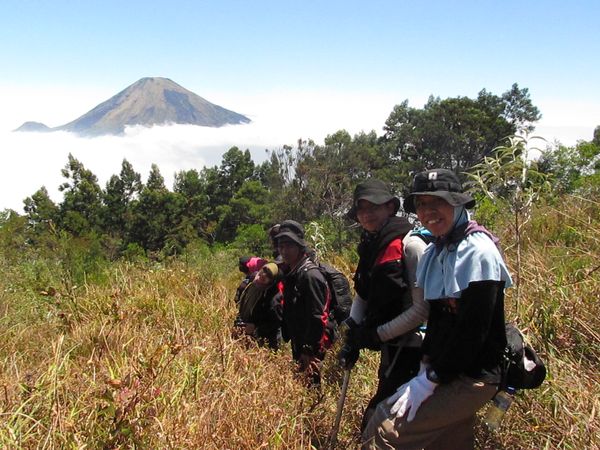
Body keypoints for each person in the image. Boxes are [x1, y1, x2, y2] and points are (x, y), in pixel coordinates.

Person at [363, 169, 512, 450]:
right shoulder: (436, 252)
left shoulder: (477, 252)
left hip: (472, 376)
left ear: (457, 203)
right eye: (421, 204)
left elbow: (473, 332)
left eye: (437, 202)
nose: (428, 211)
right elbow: (438, 319)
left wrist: (431, 380)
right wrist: (426, 368)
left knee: (384, 434)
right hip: (446, 371)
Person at [340, 179, 430, 431]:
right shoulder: (372, 245)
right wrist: (353, 331)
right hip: (391, 348)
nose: (366, 214)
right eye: (361, 209)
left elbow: (421, 310)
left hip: (415, 351)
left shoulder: (409, 246)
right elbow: (364, 294)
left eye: (374, 207)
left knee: (382, 423)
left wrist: (374, 334)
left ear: (390, 207)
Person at [275, 220, 333, 387]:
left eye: (289, 246)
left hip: (310, 347)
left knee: (310, 389)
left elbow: (317, 316)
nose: (284, 251)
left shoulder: (310, 276)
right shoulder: (293, 273)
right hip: (299, 341)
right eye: (281, 246)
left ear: (300, 247)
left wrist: (309, 350)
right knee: (301, 387)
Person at [234, 262, 283, 350]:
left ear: (272, 281)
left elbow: (276, 324)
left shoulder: (273, 300)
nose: (264, 274)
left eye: (269, 275)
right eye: (264, 269)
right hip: (247, 335)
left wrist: (256, 328)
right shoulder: (252, 281)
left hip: (264, 344)